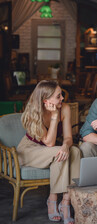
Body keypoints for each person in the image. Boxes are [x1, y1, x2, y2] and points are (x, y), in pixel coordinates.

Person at [17, 80, 81, 224]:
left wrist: (65, 145)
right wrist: (54, 116)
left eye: (61, 95)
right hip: (30, 150)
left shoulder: (65, 108)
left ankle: (66, 201)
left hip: (51, 150)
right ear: (46, 100)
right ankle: (52, 199)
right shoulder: (33, 113)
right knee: (58, 152)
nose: (62, 98)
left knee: (75, 151)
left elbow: (69, 137)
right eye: (58, 96)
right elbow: (50, 142)